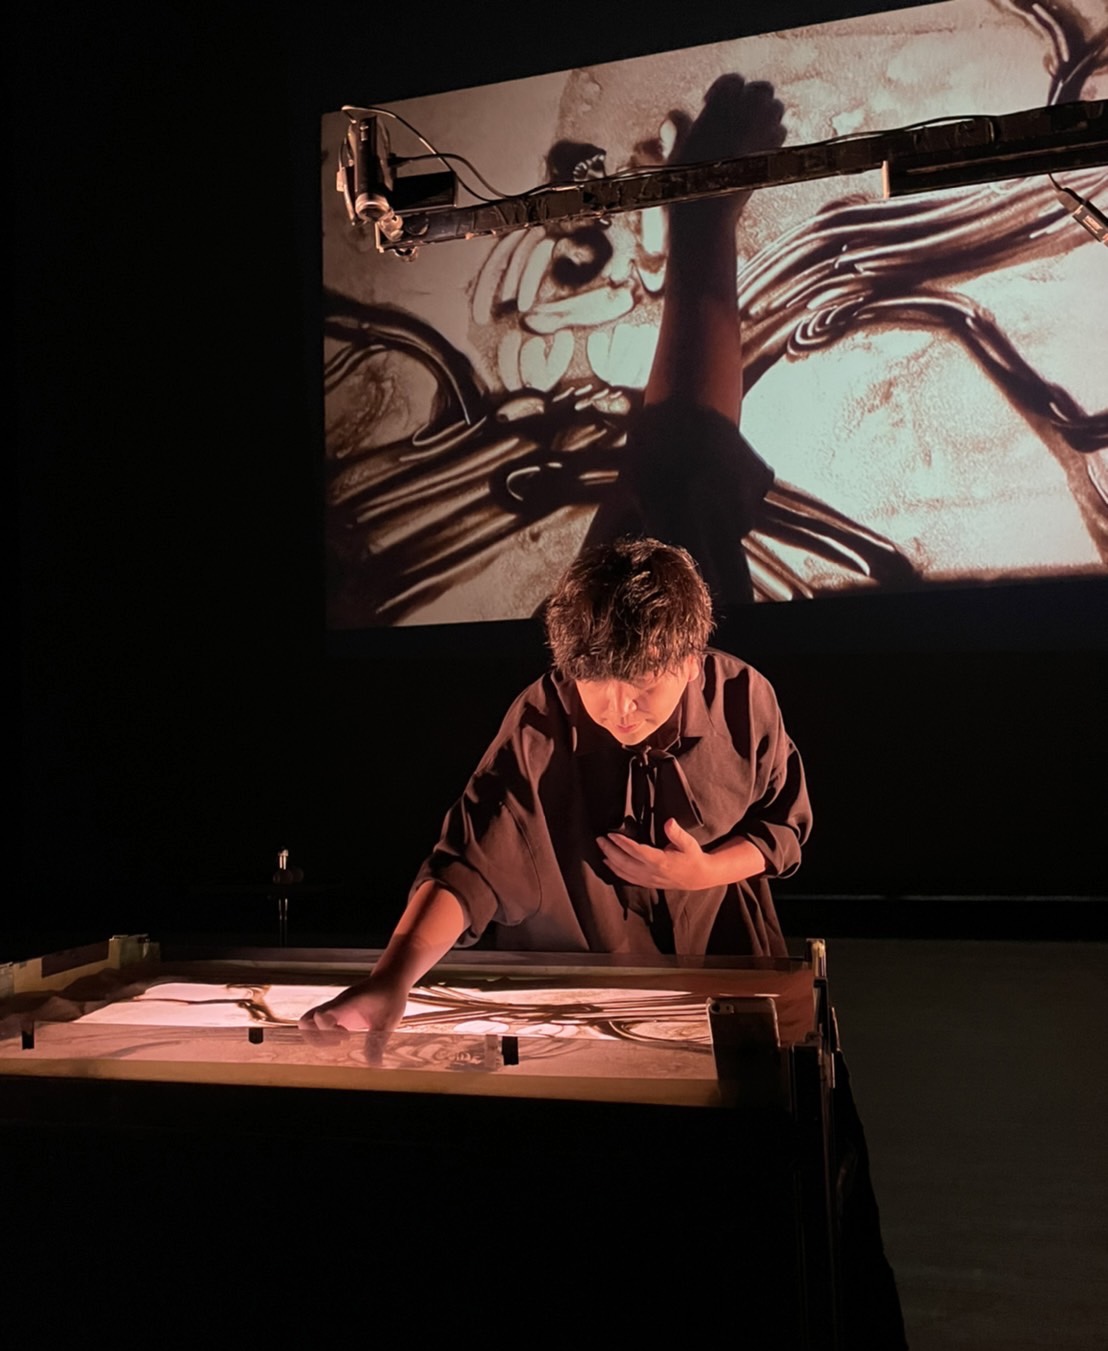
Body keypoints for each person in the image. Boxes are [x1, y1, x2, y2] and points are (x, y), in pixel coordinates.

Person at [301, 535, 810, 1033]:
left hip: (725, 976)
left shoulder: (745, 698)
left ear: (692, 660)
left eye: (643, 683)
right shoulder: (540, 721)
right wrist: (392, 978)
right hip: (579, 995)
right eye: (595, 682)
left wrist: (705, 873)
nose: (619, 709)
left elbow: (783, 826)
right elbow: (469, 866)